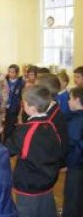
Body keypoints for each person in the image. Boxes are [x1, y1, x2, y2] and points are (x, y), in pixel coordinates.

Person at [6, 85, 61, 217]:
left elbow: (7, 150)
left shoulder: (24, 130)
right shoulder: (52, 126)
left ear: (31, 107)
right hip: (48, 183)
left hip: (28, 187)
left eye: (23, 102)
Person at [36, 73, 69, 167]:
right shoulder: (42, 110)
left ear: (44, 93)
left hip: (46, 165)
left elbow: (63, 143)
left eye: (36, 88)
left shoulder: (56, 117)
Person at [62, 87, 83, 217]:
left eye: (70, 98)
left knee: (72, 198)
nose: (68, 102)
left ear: (77, 100)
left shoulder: (77, 121)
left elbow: (70, 143)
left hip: (76, 165)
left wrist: (64, 162)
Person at [5, 64, 24, 139]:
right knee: (6, 126)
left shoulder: (21, 83)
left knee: (12, 127)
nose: (10, 73)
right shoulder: (5, 81)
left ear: (17, 73)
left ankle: (10, 142)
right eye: (9, 71)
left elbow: (21, 97)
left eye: (12, 72)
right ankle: (6, 141)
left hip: (14, 108)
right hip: (5, 107)